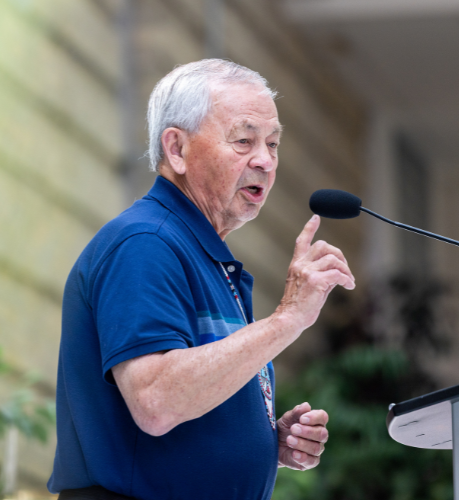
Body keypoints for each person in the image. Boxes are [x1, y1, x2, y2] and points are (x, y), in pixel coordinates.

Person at [47, 59, 355, 500]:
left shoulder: (203, 253)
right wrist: (288, 319)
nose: (266, 161)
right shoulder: (145, 242)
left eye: (273, 143)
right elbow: (156, 400)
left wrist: (266, 439)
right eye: (244, 140)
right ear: (177, 149)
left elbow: (195, 392)